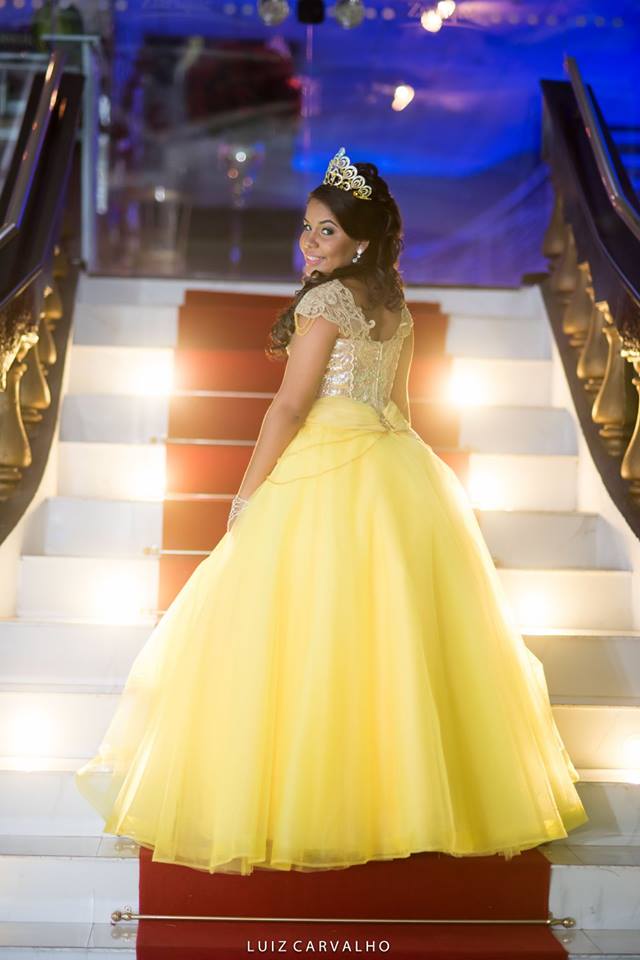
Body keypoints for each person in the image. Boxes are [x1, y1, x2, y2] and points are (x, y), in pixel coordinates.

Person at [74, 146, 589, 875]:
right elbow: (400, 405)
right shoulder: (394, 304)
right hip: (393, 459)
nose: (309, 242)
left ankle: (305, 801)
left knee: (308, 629)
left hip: (327, 461)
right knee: (386, 633)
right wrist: (414, 475)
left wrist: (247, 494)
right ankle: (400, 796)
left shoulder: (325, 302)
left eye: (326, 231)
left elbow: (289, 407)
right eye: (309, 227)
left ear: (361, 240)